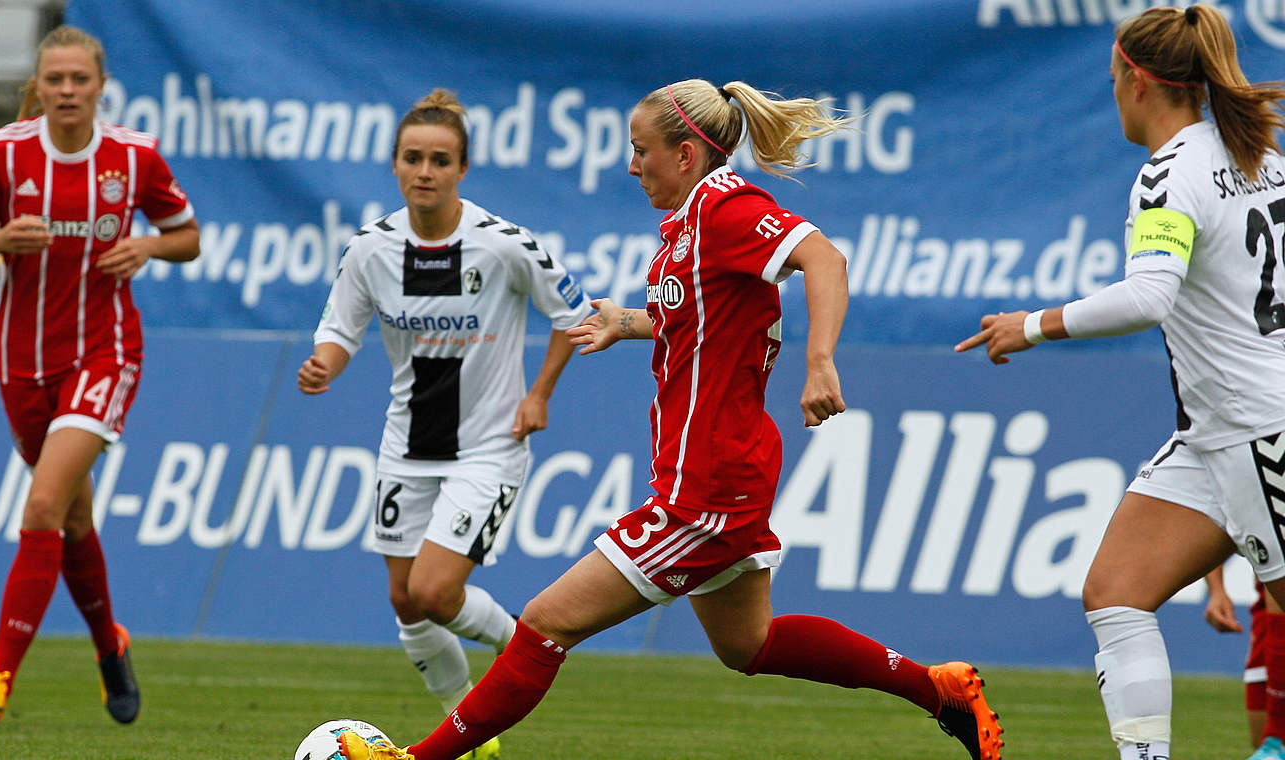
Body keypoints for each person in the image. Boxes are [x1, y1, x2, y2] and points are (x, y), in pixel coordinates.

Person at [330, 78, 1004, 760]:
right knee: (751, 644)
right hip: (718, 474)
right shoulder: (686, 227)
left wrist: (821, 361)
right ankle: (936, 688)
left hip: (706, 489)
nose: (631, 164)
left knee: (543, 623)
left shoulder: (724, 206)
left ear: (686, 154)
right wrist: (630, 320)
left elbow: (823, 257)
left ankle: (416, 759)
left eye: (640, 149)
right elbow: (704, 319)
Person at [955, 5, 1285, 759]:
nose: (1111, 93)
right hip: (1219, 436)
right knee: (1115, 591)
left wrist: (1031, 324)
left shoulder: (1170, 173)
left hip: (1261, 428)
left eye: (1111, 78)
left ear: (1136, 79)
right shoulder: (1257, 152)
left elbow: (1147, 296)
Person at [298, 88, 591, 760]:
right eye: (412, 158)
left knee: (435, 590)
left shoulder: (503, 245)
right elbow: (340, 329)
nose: (424, 171)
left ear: (462, 169)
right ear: (395, 166)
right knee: (406, 602)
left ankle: (526, 643)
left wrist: (539, 393)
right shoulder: (370, 249)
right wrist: (324, 364)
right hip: (406, 446)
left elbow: (574, 319)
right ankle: (471, 729)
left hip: (488, 447)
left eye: (439, 160)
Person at [0, 25, 200, 727]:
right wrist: (0, 240)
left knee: (41, 507)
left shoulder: (133, 157)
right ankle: (108, 645)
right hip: (21, 362)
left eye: (79, 80)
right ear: (41, 84)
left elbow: (188, 235)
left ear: (100, 86)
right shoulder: (1, 155)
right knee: (75, 516)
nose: (67, 91)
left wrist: (147, 244)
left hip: (104, 353)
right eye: (55, 80)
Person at [1204, 567, 1285, 759]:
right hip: (1268, 615)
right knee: (1260, 738)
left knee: (1274, 741)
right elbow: (1219, 536)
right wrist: (1217, 591)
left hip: (1277, 618)